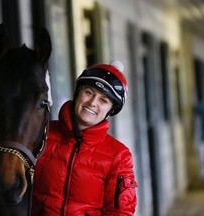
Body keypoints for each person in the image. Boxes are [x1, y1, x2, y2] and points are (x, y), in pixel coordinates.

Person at [32, 60, 138, 215]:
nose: (92, 103)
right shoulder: (42, 132)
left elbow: (120, 211)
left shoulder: (119, 156)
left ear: (111, 110)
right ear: (78, 93)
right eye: (88, 92)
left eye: (103, 100)